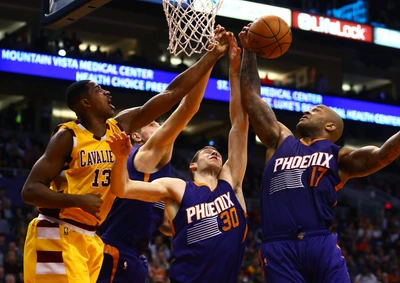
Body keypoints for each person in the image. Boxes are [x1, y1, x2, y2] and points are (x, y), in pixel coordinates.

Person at [21, 26, 231, 283]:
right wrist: (78, 200)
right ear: (85, 104)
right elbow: (29, 191)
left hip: (90, 238)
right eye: (99, 90)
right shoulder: (68, 137)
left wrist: (211, 56)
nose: (107, 92)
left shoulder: (119, 128)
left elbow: (171, 94)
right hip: (56, 231)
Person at [238, 25, 400, 283]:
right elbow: (252, 99)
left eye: (317, 109)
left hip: (319, 242)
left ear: (331, 126)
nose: (308, 111)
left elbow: (381, 155)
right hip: (278, 246)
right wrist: (249, 51)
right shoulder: (279, 139)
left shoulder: (339, 156)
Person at [106, 35, 248, 283]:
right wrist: (212, 57)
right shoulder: (146, 157)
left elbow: (239, 125)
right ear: (136, 135)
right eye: (152, 124)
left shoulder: (172, 178)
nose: (160, 126)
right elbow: (186, 108)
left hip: (135, 254)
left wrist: (235, 70)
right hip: (116, 251)